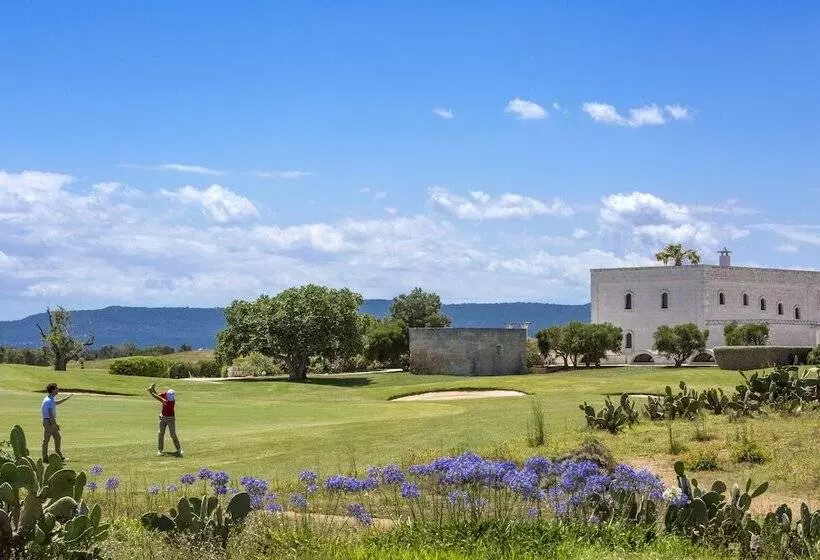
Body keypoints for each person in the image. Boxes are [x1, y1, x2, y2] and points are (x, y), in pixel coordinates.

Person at [147, 382, 183, 457]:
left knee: (172, 434)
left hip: (170, 419)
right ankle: (160, 450)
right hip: (162, 417)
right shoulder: (166, 394)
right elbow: (158, 395)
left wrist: (150, 391)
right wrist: (153, 389)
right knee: (160, 433)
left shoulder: (171, 402)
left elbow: (158, 398)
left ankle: (179, 449)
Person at [41, 382, 72, 463]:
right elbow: (50, 415)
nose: (58, 389)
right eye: (56, 388)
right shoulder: (49, 401)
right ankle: (45, 458)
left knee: (58, 437)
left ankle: (58, 455)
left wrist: (66, 398)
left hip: (50, 421)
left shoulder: (50, 398)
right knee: (46, 440)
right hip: (49, 422)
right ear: (53, 390)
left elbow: (55, 403)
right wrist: (55, 424)